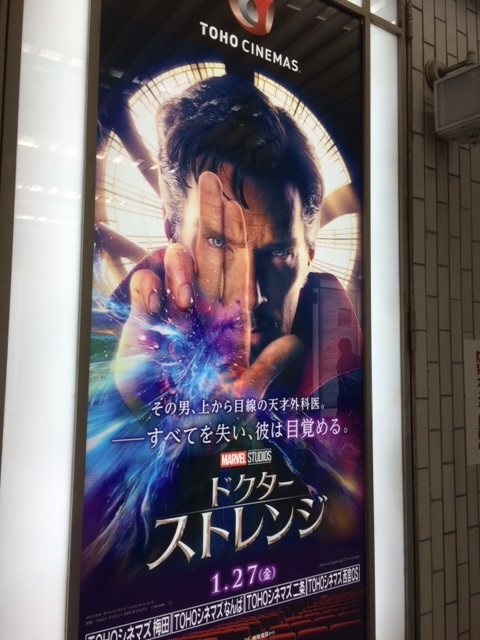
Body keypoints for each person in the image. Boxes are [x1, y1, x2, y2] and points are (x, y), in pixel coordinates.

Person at [111, 74, 360, 418]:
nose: (251, 297)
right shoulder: (124, 339)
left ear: (309, 258)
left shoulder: (354, 380)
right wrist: (130, 411)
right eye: (217, 242)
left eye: (278, 252)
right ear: (172, 235)